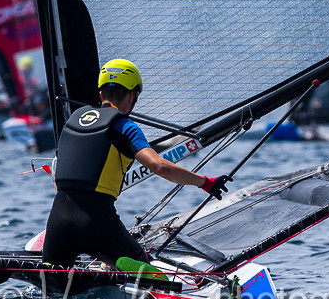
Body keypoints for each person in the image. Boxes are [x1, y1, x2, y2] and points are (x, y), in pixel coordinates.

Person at [41, 59, 232, 268]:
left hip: (58, 221)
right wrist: (205, 182)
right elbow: (160, 166)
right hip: (97, 222)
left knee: (54, 286)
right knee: (148, 275)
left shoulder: (74, 119)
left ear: (100, 94)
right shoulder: (125, 126)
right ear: (133, 96)